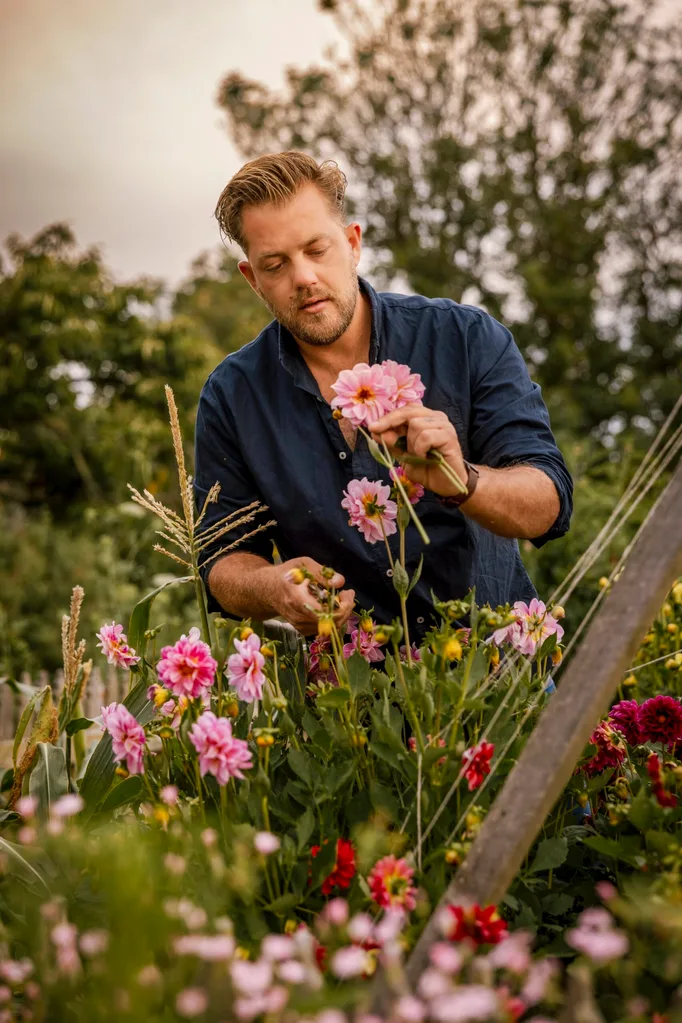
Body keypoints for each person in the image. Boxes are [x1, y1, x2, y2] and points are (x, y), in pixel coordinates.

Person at [193, 151, 572, 639]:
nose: (303, 277)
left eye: (317, 250)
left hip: (496, 665)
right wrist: (271, 586)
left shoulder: (466, 338)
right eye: (276, 264)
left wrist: (463, 481)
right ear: (252, 279)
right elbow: (222, 559)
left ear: (353, 243)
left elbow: (548, 500)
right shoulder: (232, 396)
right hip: (349, 682)